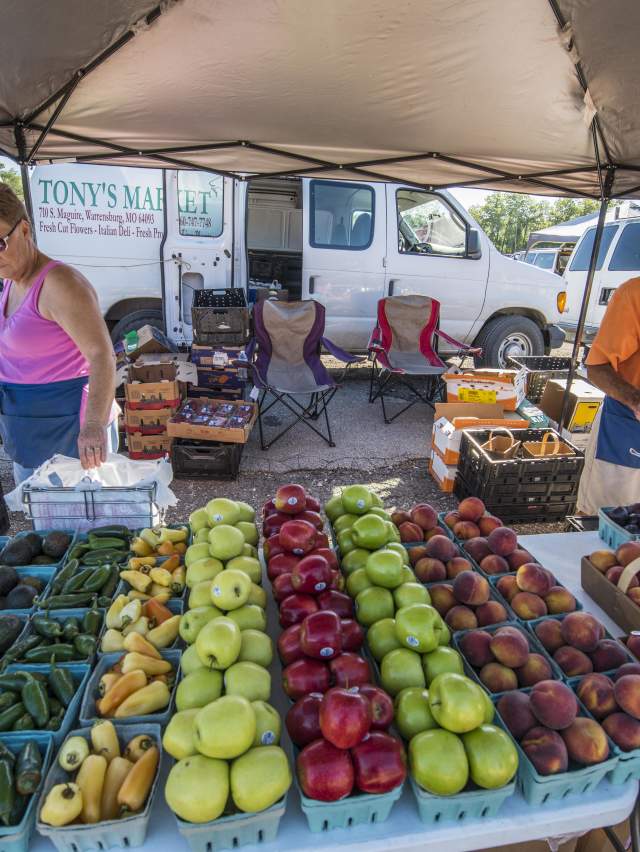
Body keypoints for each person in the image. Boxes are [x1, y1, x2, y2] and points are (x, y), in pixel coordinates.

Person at [0, 182, 117, 483]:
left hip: (70, 432)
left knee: (84, 525)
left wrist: (93, 425)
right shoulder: (12, 281)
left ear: (24, 230)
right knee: (43, 525)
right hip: (27, 429)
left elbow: (102, 355)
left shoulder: (60, 284)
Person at [577, 275, 640, 513]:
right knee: (602, 524)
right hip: (626, 431)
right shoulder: (634, 294)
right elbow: (597, 367)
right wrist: (635, 400)